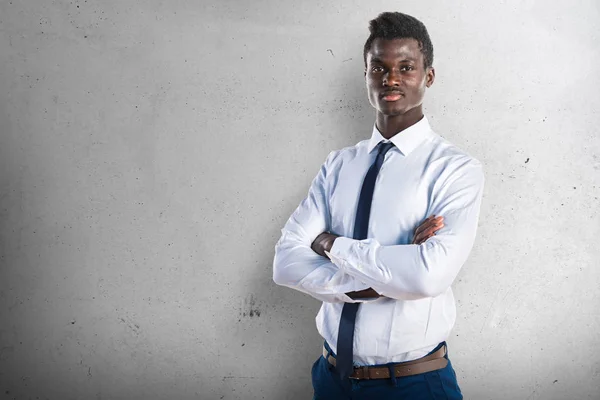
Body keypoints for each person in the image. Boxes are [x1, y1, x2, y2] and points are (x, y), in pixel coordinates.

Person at [273, 11, 484, 399]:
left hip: (413, 383)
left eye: (406, 67)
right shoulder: (338, 165)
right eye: (379, 68)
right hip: (331, 377)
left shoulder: (455, 169)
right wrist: (380, 279)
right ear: (366, 75)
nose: (391, 79)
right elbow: (285, 265)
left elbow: (427, 277)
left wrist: (330, 245)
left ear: (428, 76)